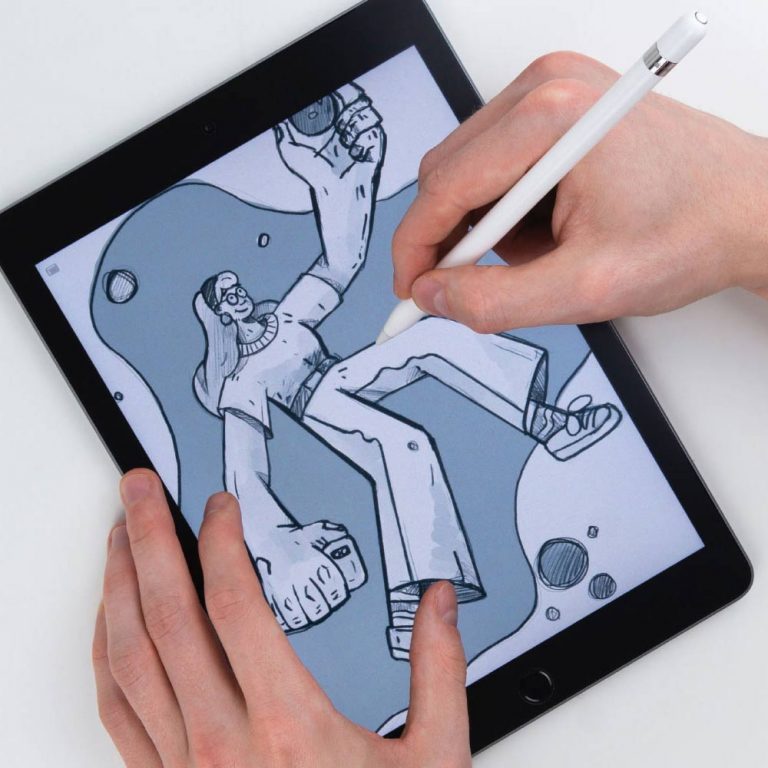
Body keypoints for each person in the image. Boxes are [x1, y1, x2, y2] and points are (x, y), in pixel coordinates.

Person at [92, 52, 768, 767]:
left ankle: (543, 421)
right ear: (212, 319)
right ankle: (411, 605)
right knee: (403, 445)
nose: (237, 295)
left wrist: (342, 184)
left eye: (234, 286)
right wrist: (277, 545)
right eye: (221, 297)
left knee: (438, 335)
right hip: (322, 406)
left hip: (342, 377)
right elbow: (244, 471)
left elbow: (337, 265)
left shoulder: (284, 321)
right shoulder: (236, 379)